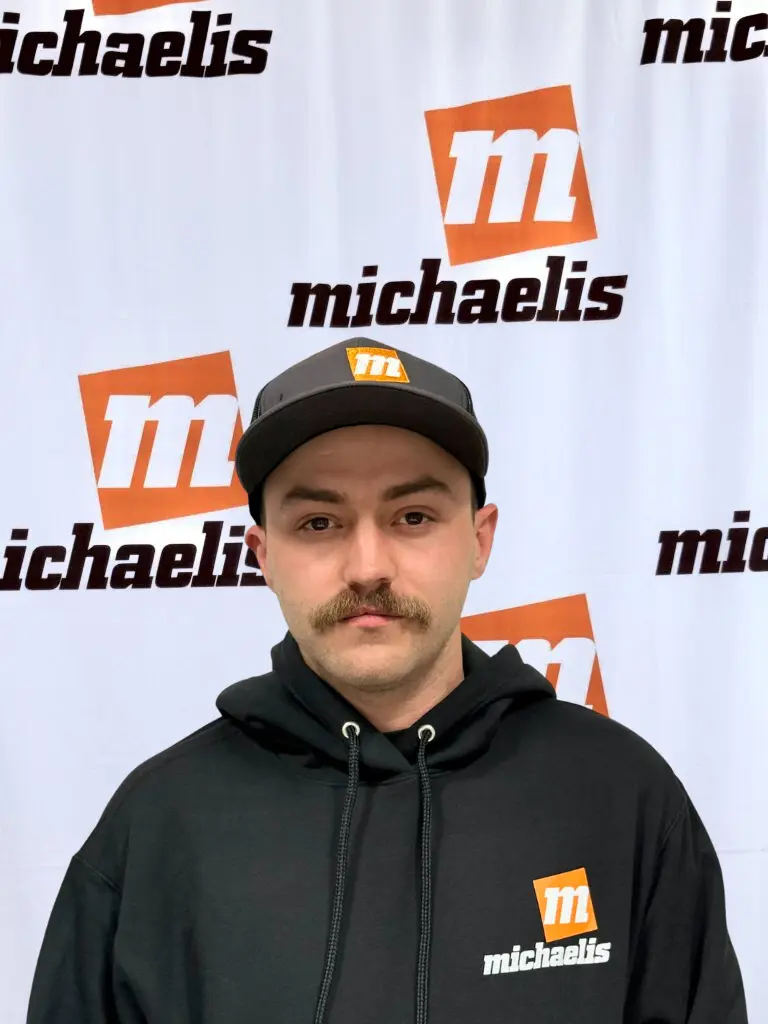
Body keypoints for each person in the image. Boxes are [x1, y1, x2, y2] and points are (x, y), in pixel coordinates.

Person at [26, 338, 748, 1024]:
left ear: (479, 539)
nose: (368, 565)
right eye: (318, 523)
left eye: (412, 516)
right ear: (262, 553)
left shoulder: (618, 795)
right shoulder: (159, 824)